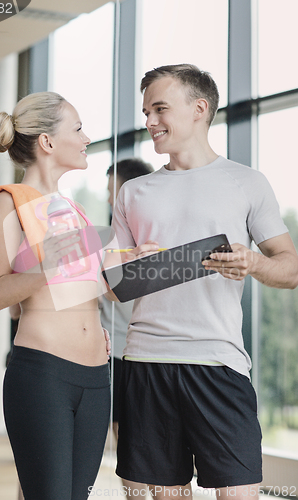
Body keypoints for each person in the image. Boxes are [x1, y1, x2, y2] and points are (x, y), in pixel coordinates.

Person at [108, 64, 298, 500]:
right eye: (146, 112)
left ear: (199, 109)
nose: (150, 122)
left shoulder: (247, 182)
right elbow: (112, 281)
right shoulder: (133, 193)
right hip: (146, 361)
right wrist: (125, 263)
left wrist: (253, 263)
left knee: (238, 493)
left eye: (160, 109)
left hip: (219, 362)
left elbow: (289, 268)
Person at [0, 91, 111, 500]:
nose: (86, 137)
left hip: (96, 379)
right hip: (45, 377)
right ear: (48, 142)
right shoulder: (8, 203)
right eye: (78, 128)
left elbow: (86, 290)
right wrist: (44, 266)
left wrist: (134, 265)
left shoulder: (75, 210)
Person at [100, 158, 153, 499]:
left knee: (134, 443)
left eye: (112, 192)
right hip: (111, 353)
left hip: (137, 354)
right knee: (129, 441)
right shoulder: (105, 239)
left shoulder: (151, 241)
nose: (109, 200)